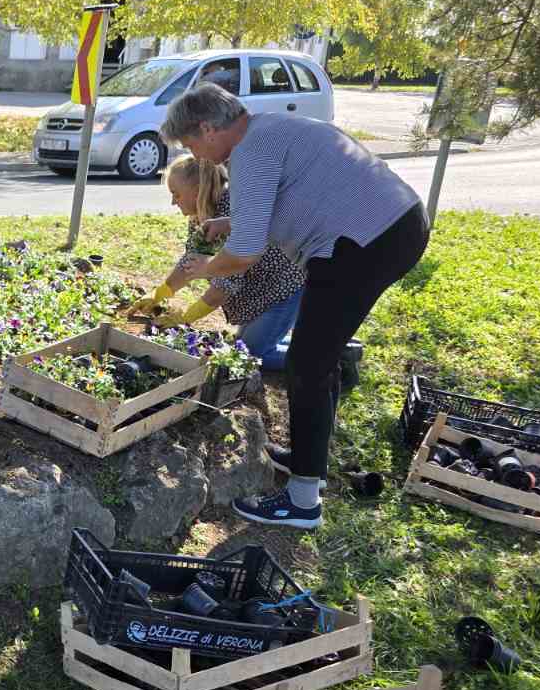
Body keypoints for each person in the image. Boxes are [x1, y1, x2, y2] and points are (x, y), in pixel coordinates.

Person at [160, 83, 429, 530]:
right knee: (315, 358)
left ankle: (303, 501)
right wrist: (231, 219)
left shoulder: (250, 150)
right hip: (389, 227)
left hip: (366, 240)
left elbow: (244, 252)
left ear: (208, 127)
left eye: (191, 144)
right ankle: (308, 462)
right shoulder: (268, 132)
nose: (198, 155)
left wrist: (205, 266)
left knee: (307, 362)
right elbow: (284, 199)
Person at [128, 155, 305, 370]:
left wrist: (185, 318)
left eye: (176, 194)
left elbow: (224, 286)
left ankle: (330, 358)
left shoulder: (231, 210)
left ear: (198, 191)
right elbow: (192, 259)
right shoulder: (202, 212)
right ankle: (319, 345)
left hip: (282, 289)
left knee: (251, 356)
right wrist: (160, 293)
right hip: (258, 290)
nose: (173, 202)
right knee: (244, 345)